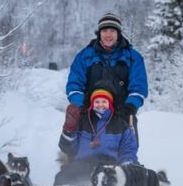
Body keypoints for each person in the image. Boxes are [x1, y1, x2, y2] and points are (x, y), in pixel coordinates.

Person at [62, 12, 148, 150]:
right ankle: (74, 164)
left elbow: (138, 87)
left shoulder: (134, 57)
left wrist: (130, 107)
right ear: (99, 33)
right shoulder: (85, 56)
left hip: (121, 111)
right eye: (105, 30)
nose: (108, 34)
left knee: (127, 148)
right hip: (90, 110)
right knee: (78, 149)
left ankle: (127, 165)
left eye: (112, 31)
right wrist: (82, 105)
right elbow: (74, 85)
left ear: (118, 33)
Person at [55, 88, 137, 186]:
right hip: (82, 164)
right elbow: (69, 148)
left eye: (104, 101)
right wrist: (69, 129)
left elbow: (128, 149)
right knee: (61, 178)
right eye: (97, 101)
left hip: (110, 165)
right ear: (92, 103)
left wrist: (126, 167)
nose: (100, 104)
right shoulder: (83, 121)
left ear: (110, 103)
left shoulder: (121, 125)